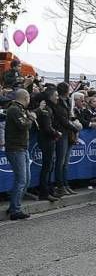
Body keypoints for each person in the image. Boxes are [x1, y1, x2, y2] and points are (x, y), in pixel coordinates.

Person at [4, 89, 35, 220]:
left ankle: (14, 205)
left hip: (22, 148)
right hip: (15, 149)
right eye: (29, 98)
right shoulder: (14, 110)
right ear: (26, 97)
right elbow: (23, 125)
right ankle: (15, 210)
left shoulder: (20, 109)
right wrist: (31, 118)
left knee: (26, 179)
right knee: (21, 179)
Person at [53, 82, 82, 195]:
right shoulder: (59, 103)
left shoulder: (67, 101)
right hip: (62, 133)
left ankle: (65, 184)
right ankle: (60, 185)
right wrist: (74, 128)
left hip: (67, 133)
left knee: (66, 162)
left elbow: (68, 117)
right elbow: (63, 120)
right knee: (61, 161)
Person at [36, 89, 61, 202]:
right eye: (56, 95)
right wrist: (56, 133)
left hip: (49, 140)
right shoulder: (46, 109)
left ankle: (49, 189)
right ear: (50, 96)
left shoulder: (50, 108)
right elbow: (47, 128)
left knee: (50, 167)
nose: (57, 97)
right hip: (46, 140)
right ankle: (44, 192)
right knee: (47, 167)